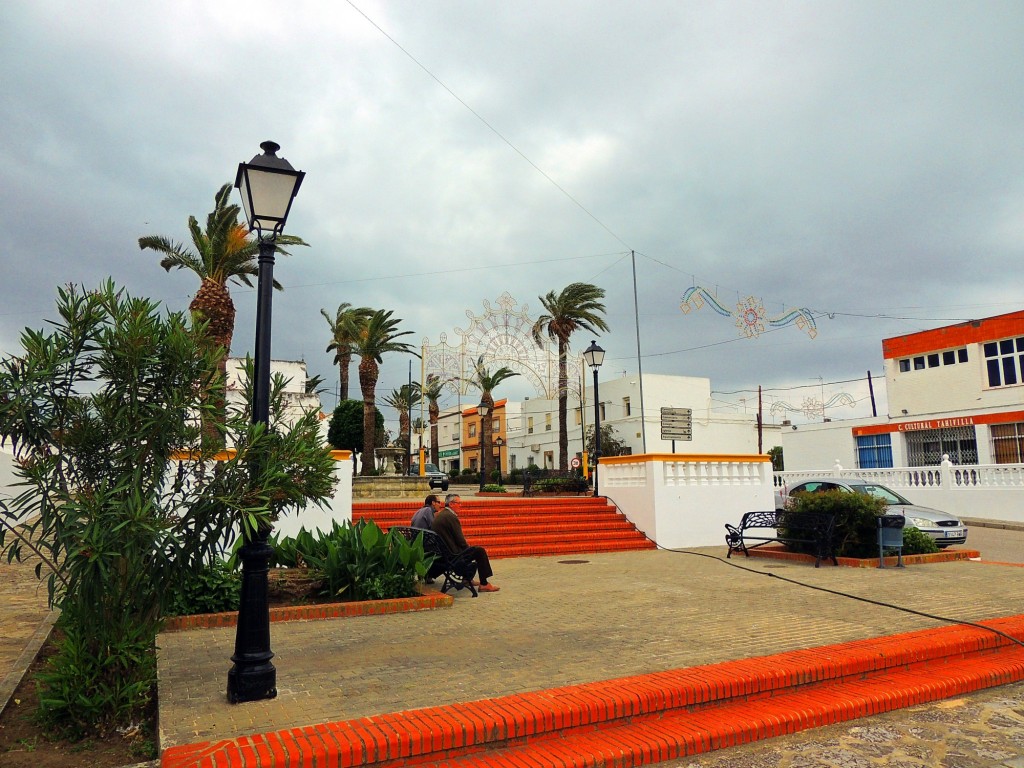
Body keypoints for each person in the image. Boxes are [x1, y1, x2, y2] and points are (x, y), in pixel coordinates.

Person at [432, 493, 500, 592]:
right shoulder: (451, 517)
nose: (460, 505)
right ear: (451, 504)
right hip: (452, 555)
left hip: (443, 554)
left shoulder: (442, 514)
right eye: (458, 503)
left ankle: (466, 578)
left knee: (473, 551)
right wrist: (469, 550)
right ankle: (484, 584)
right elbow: (461, 541)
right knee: (479, 551)